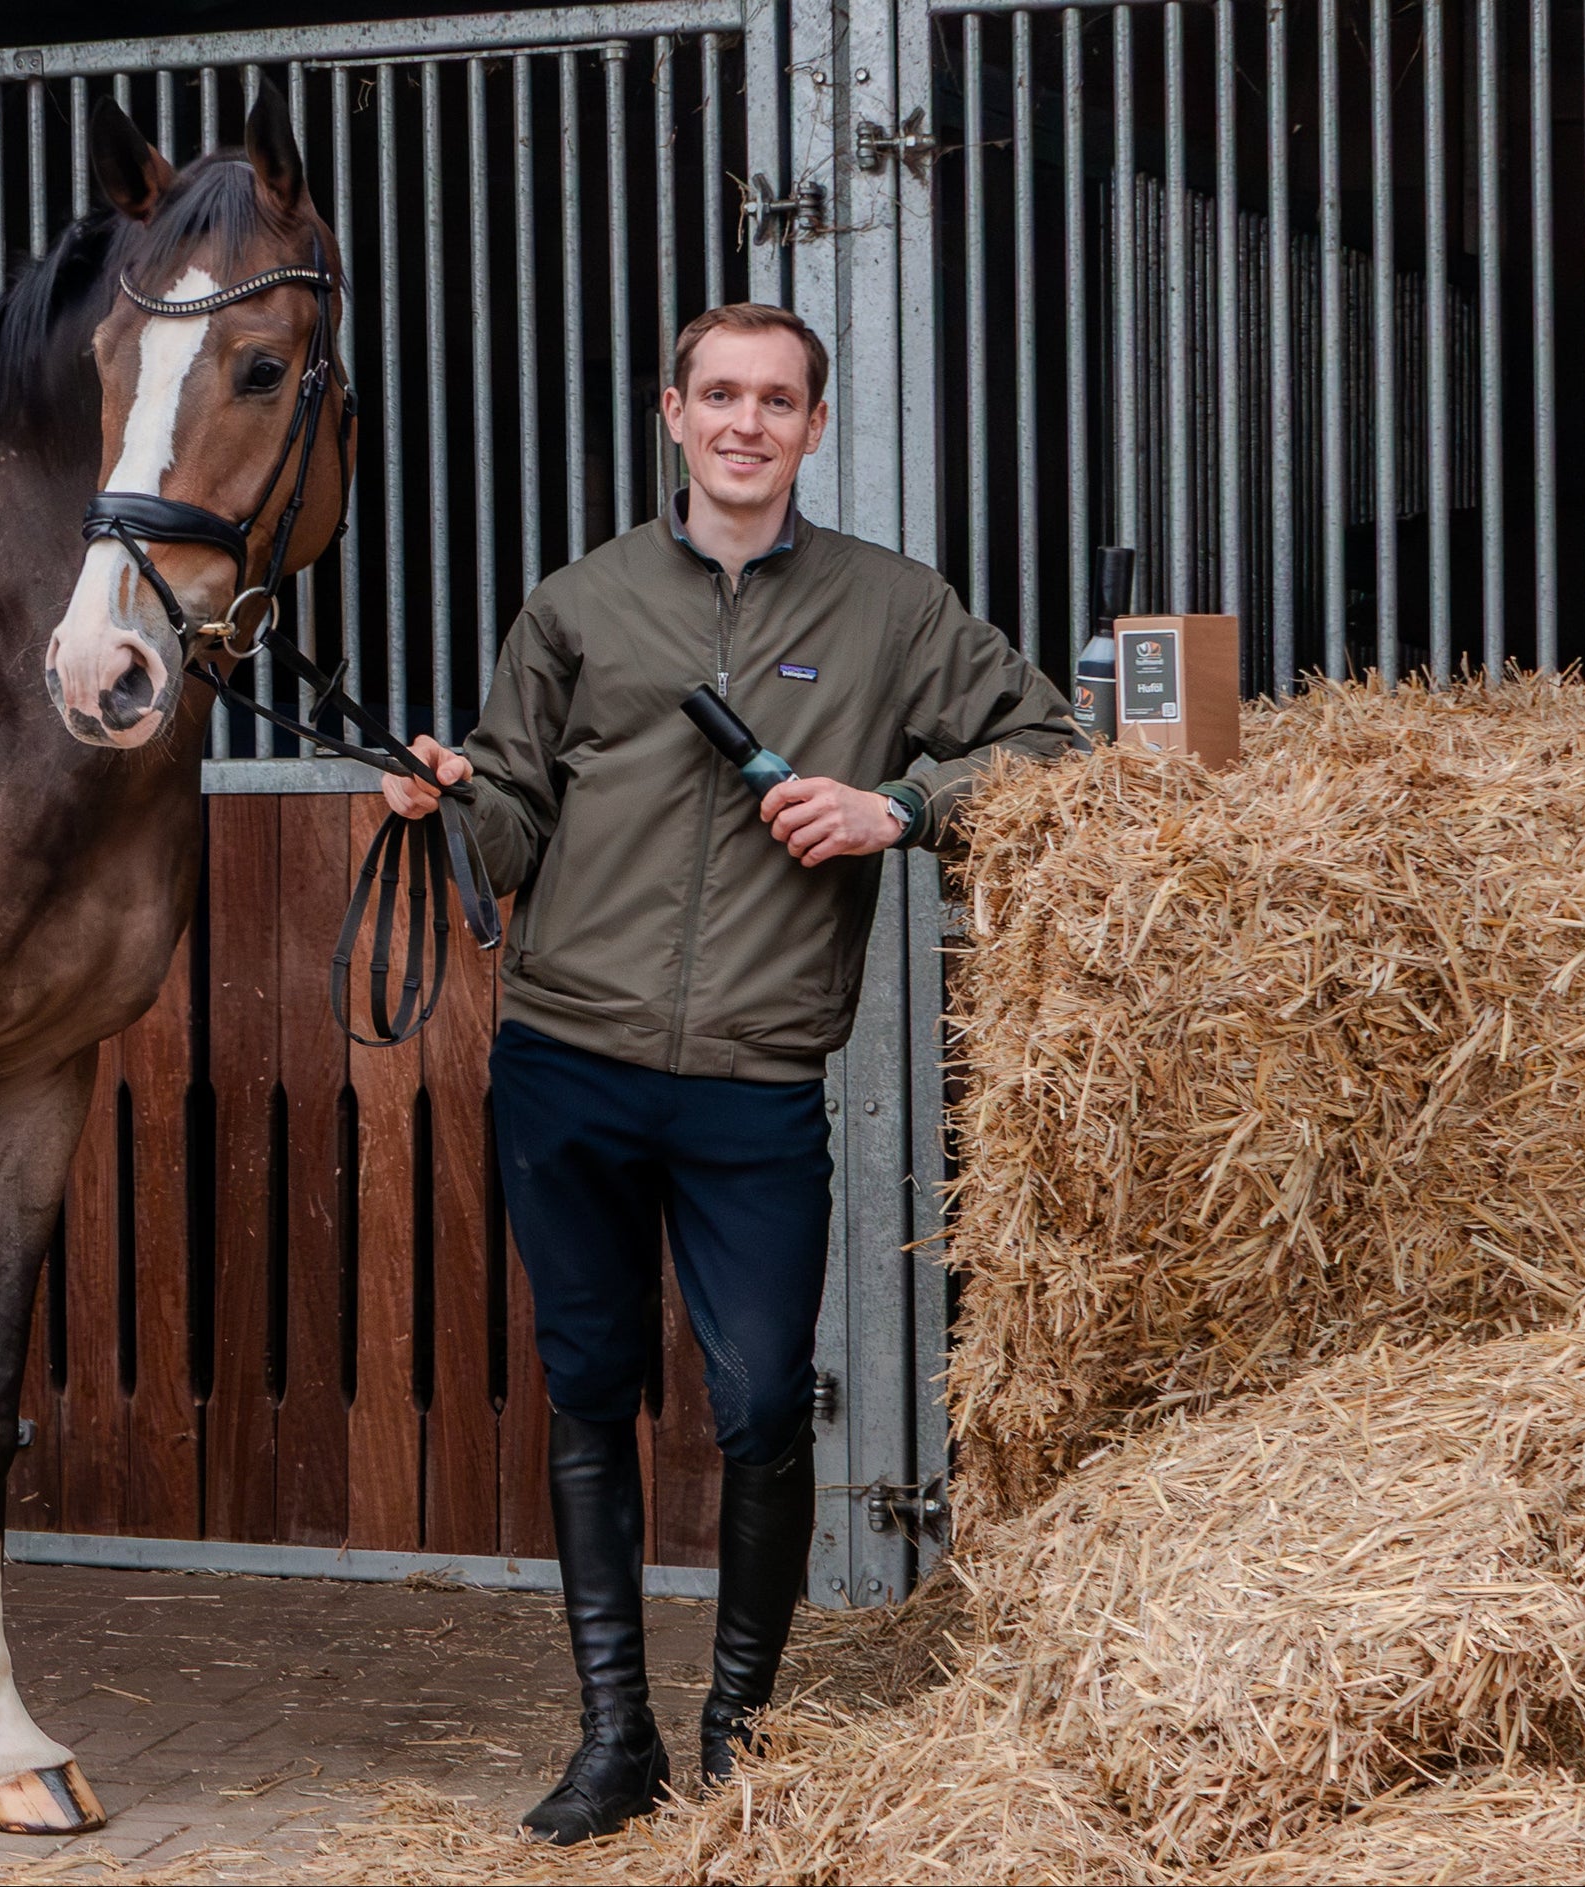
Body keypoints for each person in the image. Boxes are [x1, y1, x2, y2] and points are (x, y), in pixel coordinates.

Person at [381, 302, 1077, 1842]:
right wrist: (442, 803)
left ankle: (741, 1737)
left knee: (760, 1404)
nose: (746, 423)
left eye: (777, 400)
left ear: (815, 428)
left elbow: (1055, 744)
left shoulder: (895, 608)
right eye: (720, 396)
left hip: (755, 1082)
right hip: (567, 1061)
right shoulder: (581, 603)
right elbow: (509, 828)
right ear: (674, 413)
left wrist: (901, 805)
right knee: (591, 1392)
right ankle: (615, 1739)